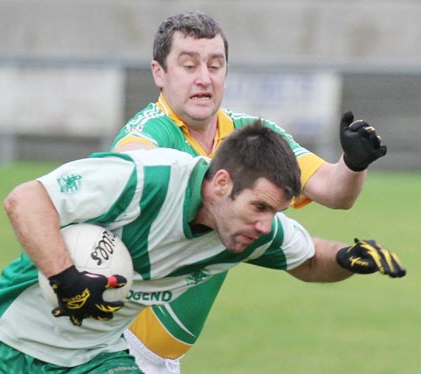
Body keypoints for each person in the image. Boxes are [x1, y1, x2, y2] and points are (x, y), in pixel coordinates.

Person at [0, 122, 405, 373]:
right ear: (221, 184)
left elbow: (309, 258)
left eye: (275, 212)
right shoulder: (146, 179)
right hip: (4, 342)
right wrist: (66, 278)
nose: (264, 224)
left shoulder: (253, 229)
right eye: (258, 207)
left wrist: (349, 259)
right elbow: (25, 199)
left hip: (94, 358)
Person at [111, 11, 389, 373]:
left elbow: (335, 192)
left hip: (163, 360)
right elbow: (129, 162)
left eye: (215, 65)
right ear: (159, 73)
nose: (204, 79)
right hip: (113, 341)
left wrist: (353, 163)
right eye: (188, 65)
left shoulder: (249, 136)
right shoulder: (153, 131)